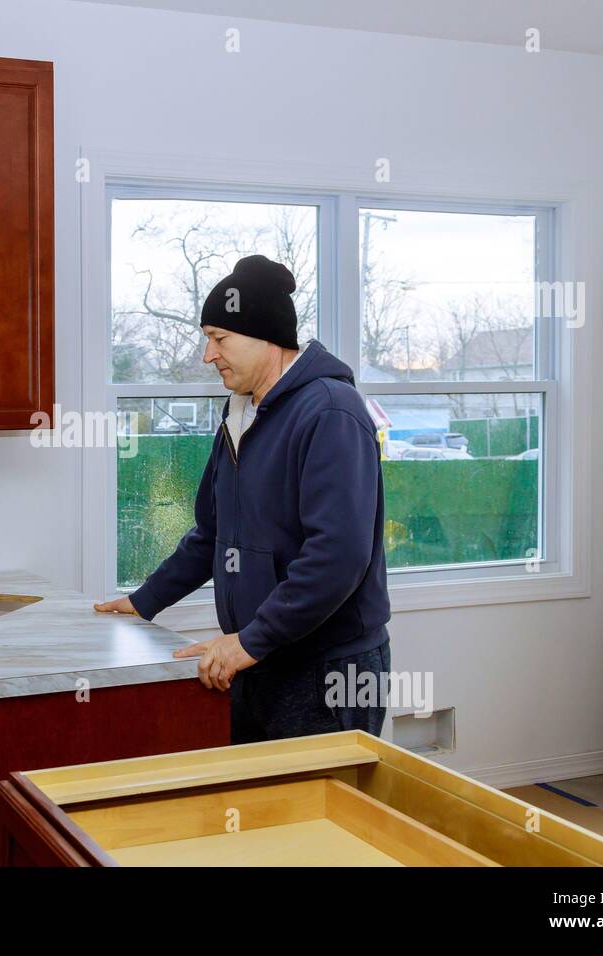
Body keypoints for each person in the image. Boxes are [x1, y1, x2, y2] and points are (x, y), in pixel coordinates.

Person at [95, 254, 392, 743]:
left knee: (311, 796)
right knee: (253, 793)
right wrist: (144, 601)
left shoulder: (330, 412)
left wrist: (250, 641)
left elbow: (337, 556)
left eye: (219, 338)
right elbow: (211, 534)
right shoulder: (240, 415)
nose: (208, 355)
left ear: (265, 336)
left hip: (326, 668)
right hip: (257, 656)